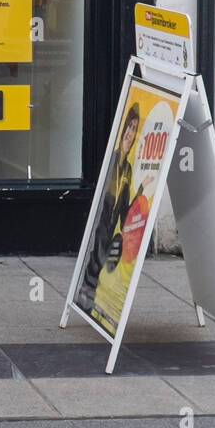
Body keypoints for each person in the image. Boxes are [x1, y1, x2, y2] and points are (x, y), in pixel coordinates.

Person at [75, 102, 140, 313]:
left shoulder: (127, 169)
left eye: (134, 129)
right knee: (97, 256)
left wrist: (141, 194)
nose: (130, 133)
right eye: (128, 127)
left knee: (103, 255)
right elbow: (105, 196)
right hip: (102, 219)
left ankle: (88, 295)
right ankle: (86, 295)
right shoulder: (111, 160)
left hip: (112, 224)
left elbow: (124, 212)